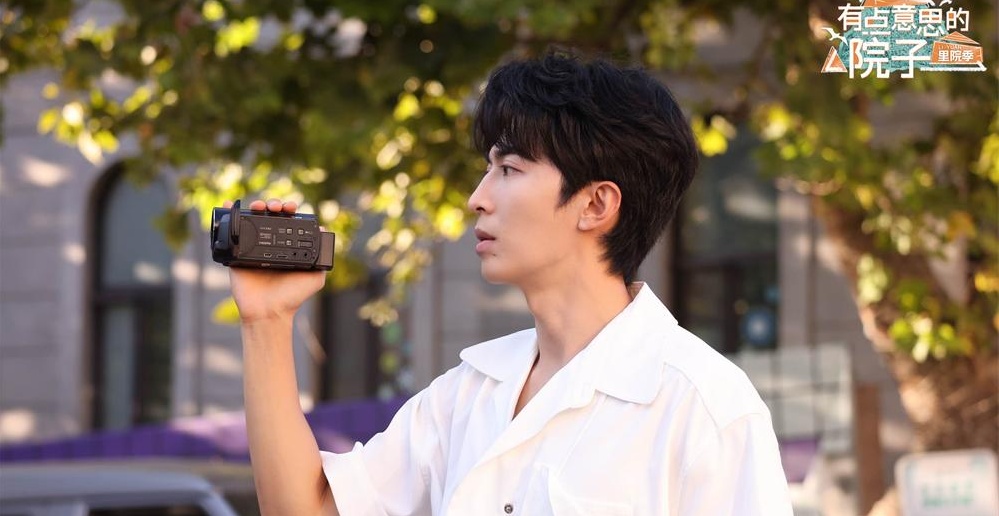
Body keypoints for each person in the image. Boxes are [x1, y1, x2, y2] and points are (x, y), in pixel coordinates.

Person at [229, 52, 793, 515]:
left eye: (509, 169)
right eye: (488, 168)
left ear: (596, 204)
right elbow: (308, 510)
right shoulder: (468, 393)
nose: (478, 198)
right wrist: (267, 321)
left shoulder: (705, 407)